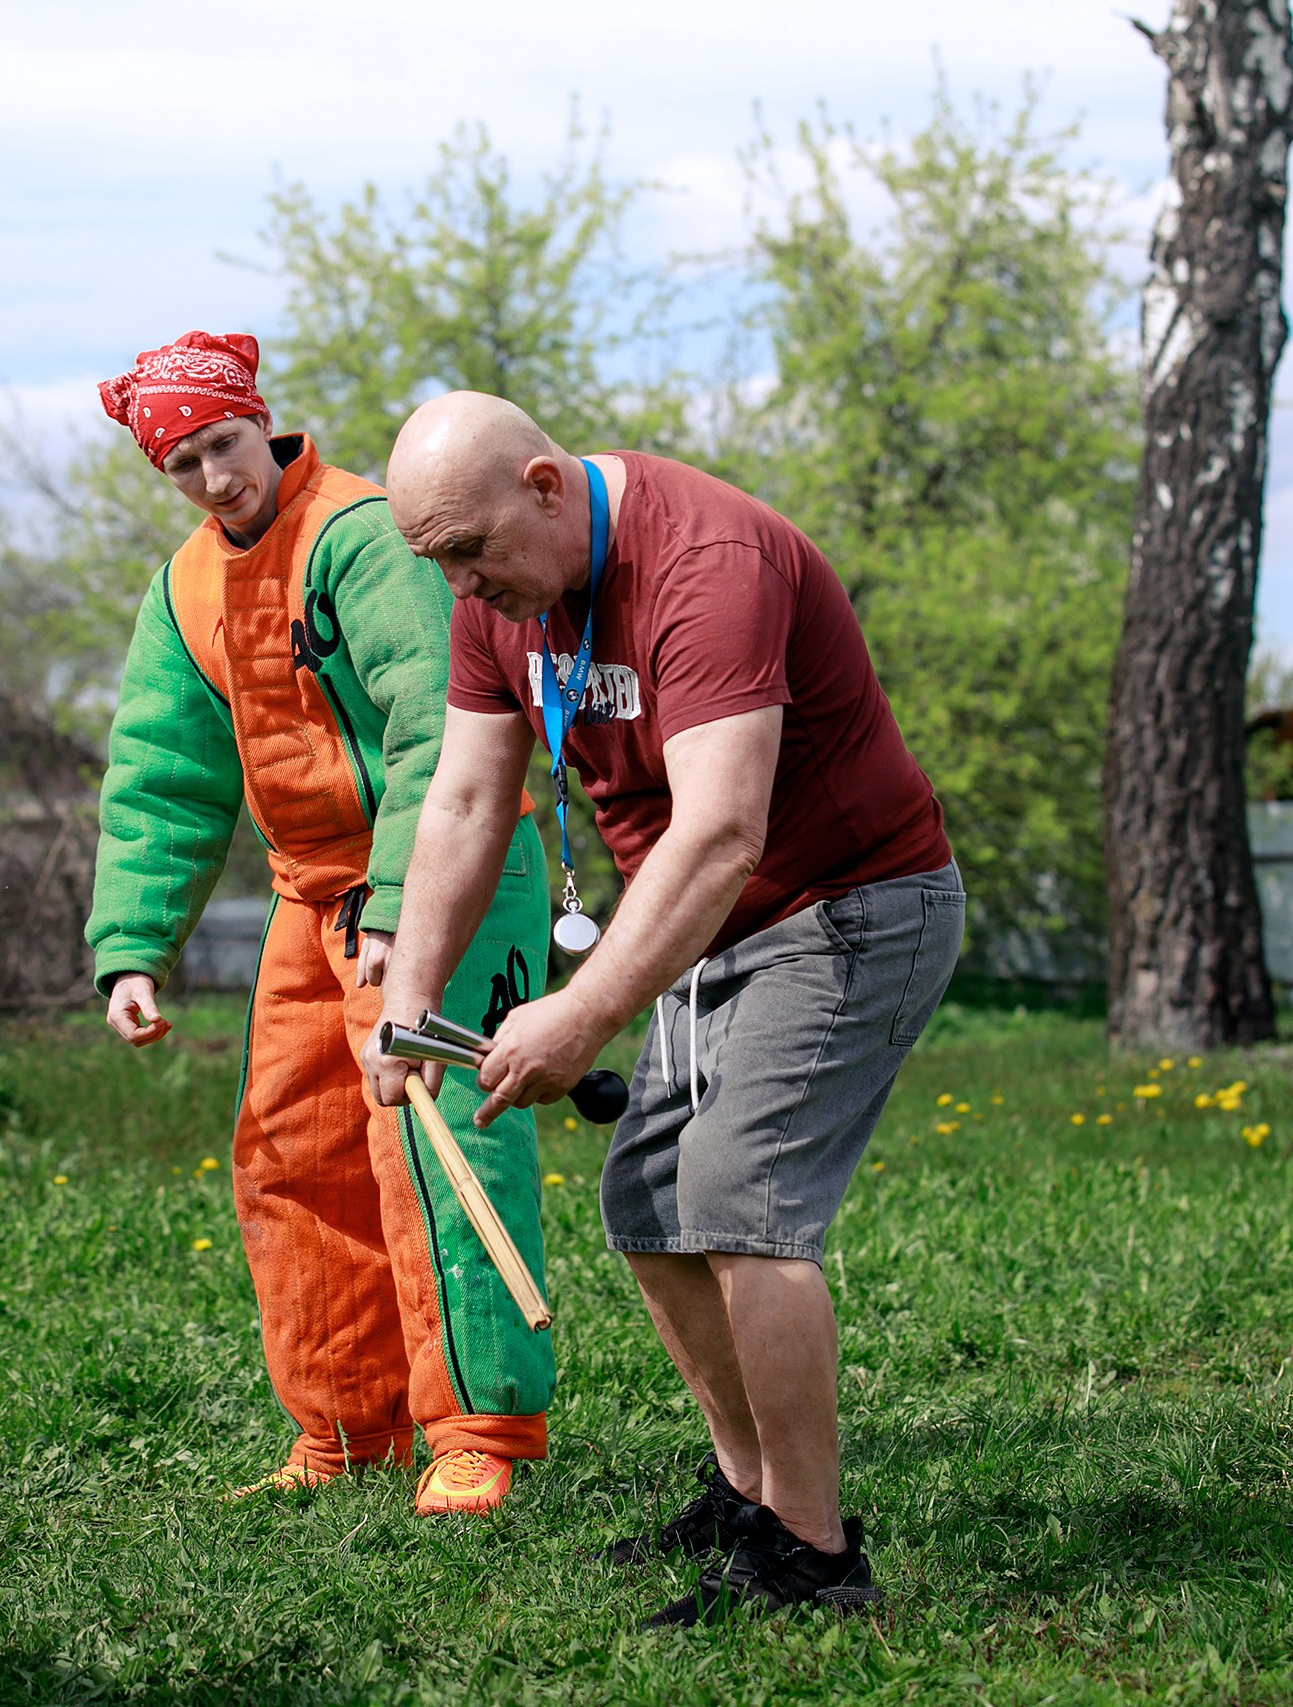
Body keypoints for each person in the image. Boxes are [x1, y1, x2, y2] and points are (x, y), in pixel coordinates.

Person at [360, 391, 963, 1622]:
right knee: (647, 1204)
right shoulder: (506, 601)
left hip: (846, 903)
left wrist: (578, 1016)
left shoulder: (707, 562)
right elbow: (471, 803)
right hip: (715, 922)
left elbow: (723, 831)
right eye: (439, 565)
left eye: (470, 553)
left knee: (740, 1207)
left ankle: (814, 1554)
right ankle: (750, 1496)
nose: (463, 589)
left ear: (542, 483)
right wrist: (411, 997)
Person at [83, 337, 553, 1516]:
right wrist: (132, 947)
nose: (213, 480)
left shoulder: (361, 532)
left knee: (437, 1141)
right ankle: (345, 1430)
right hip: (310, 894)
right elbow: (160, 776)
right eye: (182, 464)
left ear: (262, 423)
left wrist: (406, 908)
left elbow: (436, 733)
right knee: (291, 1151)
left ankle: (479, 1431)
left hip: (450, 865)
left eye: (224, 445)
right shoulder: (184, 587)